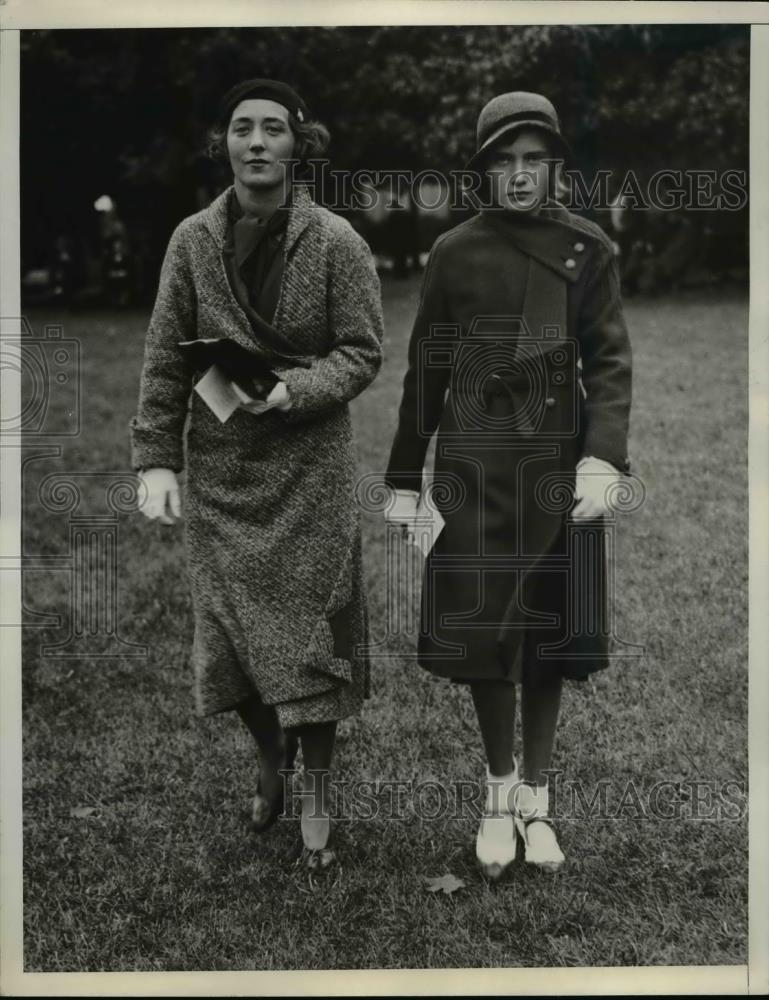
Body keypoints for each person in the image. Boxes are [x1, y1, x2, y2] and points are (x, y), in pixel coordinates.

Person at [130, 79, 384, 870]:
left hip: (309, 471)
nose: (258, 142)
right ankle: (271, 760)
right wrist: (154, 460)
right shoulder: (191, 241)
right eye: (243, 128)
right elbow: (165, 355)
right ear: (225, 143)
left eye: (274, 128)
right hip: (223, 477)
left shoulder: (337, 240)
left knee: (312, 639)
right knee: (231, 639)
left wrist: (293, 389)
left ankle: (314, 789)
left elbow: (362, 350)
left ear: (298, 143)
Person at [384, 92, 632, 878]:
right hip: (474, 468)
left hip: (556, 467)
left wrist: (603, 459)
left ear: (554, 165)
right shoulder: (454, 251)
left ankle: (538, 801)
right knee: (487, 635)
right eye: (504, 161)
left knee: (546, 639)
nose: (519, 175)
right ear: (483, 170)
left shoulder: (587, 247)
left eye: (533, 160)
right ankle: (496, 795)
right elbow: (426, 369)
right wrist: (401, 478)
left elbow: (611, 361)